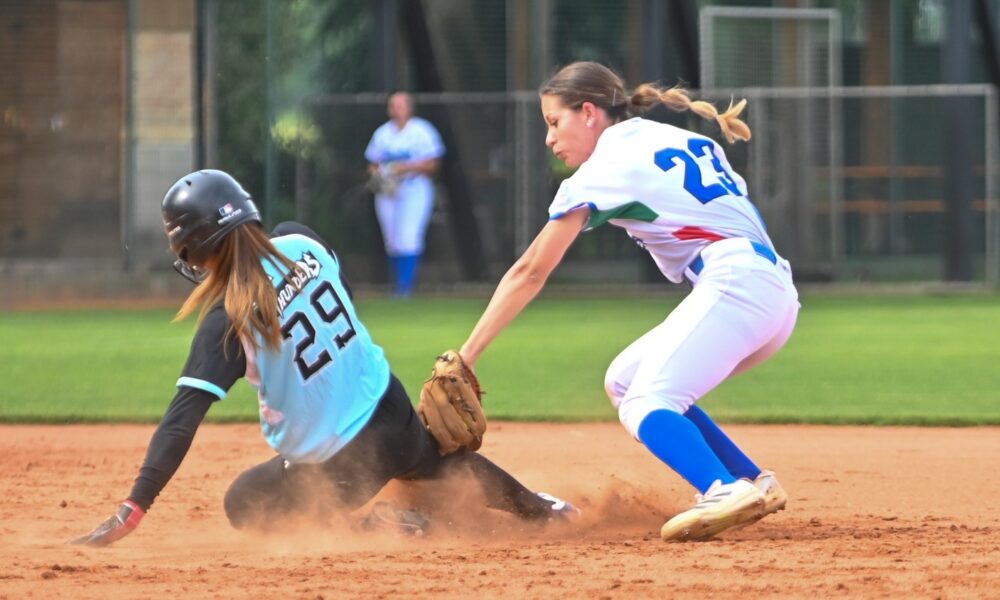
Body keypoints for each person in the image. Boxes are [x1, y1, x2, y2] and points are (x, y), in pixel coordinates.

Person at [70, 169, 576, 547]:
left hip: (338, 469)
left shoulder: (228, 319)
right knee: (437, 461)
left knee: (244, 500)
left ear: (195, 249)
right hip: (391, 411)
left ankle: (388, 523)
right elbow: (348, 305)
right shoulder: (301, 239)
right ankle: (545, 509)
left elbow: (181, 422)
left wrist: (132, 509)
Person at [456, 62, 800, 543]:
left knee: (647, 400)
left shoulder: (606, 168)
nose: (550, 139)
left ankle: (721, 488)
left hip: (737, 283)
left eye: (555, 122)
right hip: (770, 287)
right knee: (626, 379)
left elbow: (530, 270)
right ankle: (751, 480)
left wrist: (466, 356)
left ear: (590, 113)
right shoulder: (671, 137)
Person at [364, 91, 444, 298]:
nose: (397, 109)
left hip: (414, 188)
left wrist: (404, 168)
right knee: (392, 239)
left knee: (409, 236)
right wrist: (380, 176)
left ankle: (405, 287)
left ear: (410, 107)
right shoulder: (382, 133)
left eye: (401, 105)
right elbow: (372, 164)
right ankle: (398, 284)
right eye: (393, 105)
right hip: (388, 191)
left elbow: (433, 163)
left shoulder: (422, 131)